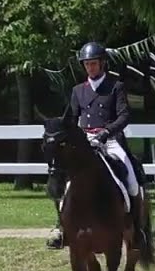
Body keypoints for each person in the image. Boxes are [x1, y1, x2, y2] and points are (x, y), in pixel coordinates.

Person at [46, 40, 147, 249]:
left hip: (110, 140)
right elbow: (72, 119)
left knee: (131, 178)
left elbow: (124, 115)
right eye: (87, 64)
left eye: (93, 63)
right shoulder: (78, 91)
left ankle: (137, 230)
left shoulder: (116, 87)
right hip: (84, 142)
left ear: (102, 64)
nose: (90, 67)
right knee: (66, 180)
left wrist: (106, 132)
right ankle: (61, 228)